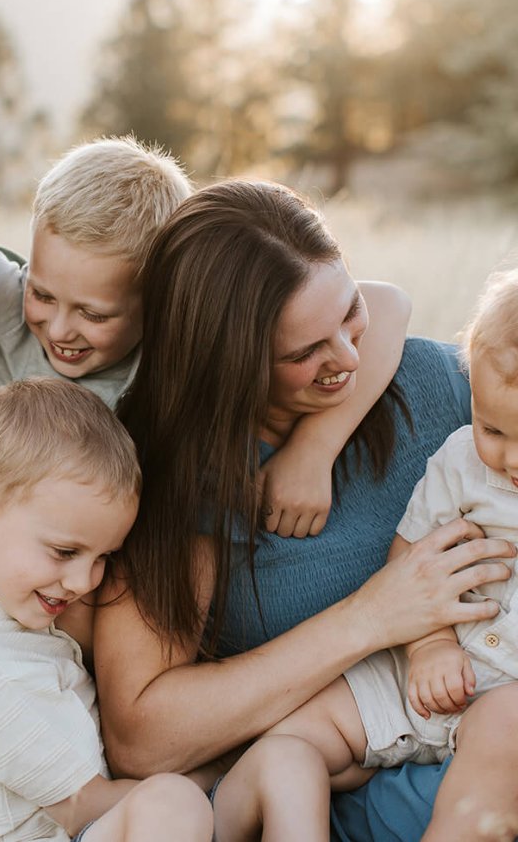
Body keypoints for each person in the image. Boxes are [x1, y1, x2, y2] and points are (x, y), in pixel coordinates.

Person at [92, 180, 518, 842]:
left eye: (349, 312)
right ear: (227, 364)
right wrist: (374, 616)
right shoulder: (172, 486)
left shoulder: (435, 389)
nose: (347, 358)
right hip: (338, 794)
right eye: (305, 353)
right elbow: (141, 739)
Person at [0, 136, 411, 539]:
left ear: (158, 306)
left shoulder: (168, 355)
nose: (60, 328)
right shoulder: (2, 299)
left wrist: (315, 451)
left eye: (95, 314)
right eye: (44, 293)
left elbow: (387, 303)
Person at [213, 266, 518, 842]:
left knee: (501, 745)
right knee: (292, 741)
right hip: (420, 671)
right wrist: (429, 647)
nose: (508, 459)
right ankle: (209, 823)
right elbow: (412, 551)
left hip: (506, 701)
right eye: (493, 428)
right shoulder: (460, 460)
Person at [0, 378, 215, 842]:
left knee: (286, 763)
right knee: (174, 800)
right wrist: (212, 774)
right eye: (65, 551)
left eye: (103, 557)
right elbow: (83, 809)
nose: (85, 582)